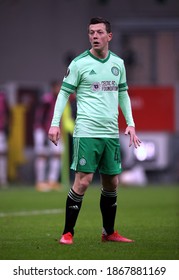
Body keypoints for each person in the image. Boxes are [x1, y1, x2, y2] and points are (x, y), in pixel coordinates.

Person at [48, 17, 141, 244]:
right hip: (87, 131)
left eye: (99, 32)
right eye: (91, 33)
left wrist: (131, 123)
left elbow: (123, 94)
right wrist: (55, 122)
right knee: (83, 181)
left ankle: (108, 233)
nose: (95, 36)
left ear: (109, 36)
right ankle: (67, 232)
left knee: (111, 183)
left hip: (110, 133)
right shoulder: (79, 63)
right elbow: (63, 93)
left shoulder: (118, 64)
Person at [33, 81, 64, 192]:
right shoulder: (47, 99)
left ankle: (52, 180)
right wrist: (44, 134)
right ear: (53, 88)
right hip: (42, 130)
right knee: (42, 154)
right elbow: (40, 117)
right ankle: (40, 181)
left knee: (57, 153)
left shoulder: (60, 100)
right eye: (57, 87)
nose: (59, 89)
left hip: (54, 130)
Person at [0, 91, 10, 188]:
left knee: (2, 154)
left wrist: (7, 128)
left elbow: (8, 113)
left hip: (1, 130)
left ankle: (3, 179)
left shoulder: (3, 97)